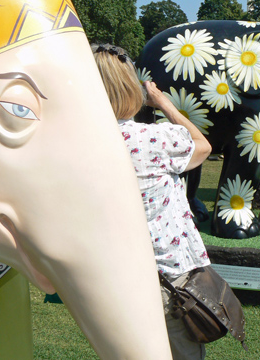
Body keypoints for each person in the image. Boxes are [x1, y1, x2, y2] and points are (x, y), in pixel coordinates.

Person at [93, 43, 212, 359]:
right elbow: (202, 147)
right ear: (130, 87)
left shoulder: (80, 147)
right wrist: (162, 102)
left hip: (112, 280)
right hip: (168, 276)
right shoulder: (155, 139)